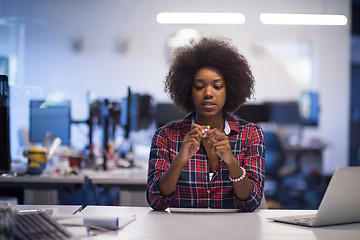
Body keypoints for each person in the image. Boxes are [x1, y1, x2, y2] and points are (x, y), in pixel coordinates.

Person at [146, 37, 265, 211]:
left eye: (217, 86)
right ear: (188, 91)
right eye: (200, 86)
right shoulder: (166, 136)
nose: (208, 93)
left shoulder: (251, 134)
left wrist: (232, 162)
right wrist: (180, 160)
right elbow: (157, 202)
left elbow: (251, 202)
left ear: (229, 91)